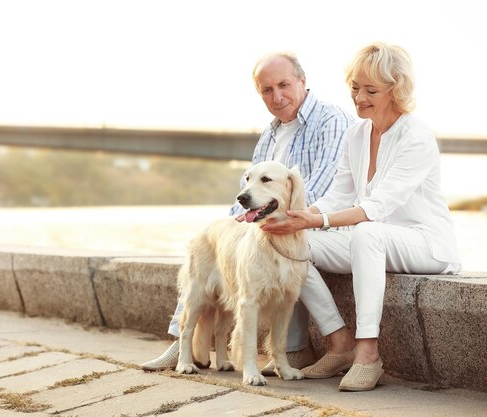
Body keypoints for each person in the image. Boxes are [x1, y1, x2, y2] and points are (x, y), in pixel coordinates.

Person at [261, 41, 462, 391]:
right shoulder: (357, 134)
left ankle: (368, 353)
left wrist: (315, 221)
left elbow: (377, 209)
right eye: (354, 88)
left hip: (425, 242)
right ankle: (339, 342)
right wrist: (297, 217)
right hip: (373, 239)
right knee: (289, 242)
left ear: (395, 90)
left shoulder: (416, 135)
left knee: (368, 231)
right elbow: (337, 195)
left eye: (371, 90)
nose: (359, 97)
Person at [141, 51, 354, 372]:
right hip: (271, 229)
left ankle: (327, 346)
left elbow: (323, 192)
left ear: (302, 81)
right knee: (214, 248)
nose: (277, 96)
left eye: (283, 85)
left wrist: (279, 222)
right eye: (266, 90)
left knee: (291, 253)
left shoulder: (331, 120)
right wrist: (231, 229)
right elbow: (248, 198)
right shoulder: (270, 133)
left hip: (319, 225)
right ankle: (182, 341)